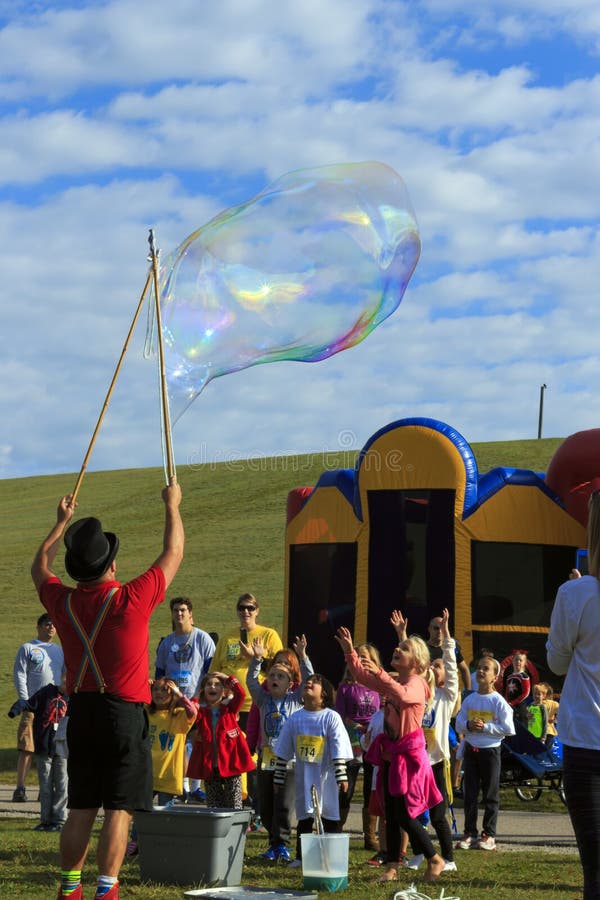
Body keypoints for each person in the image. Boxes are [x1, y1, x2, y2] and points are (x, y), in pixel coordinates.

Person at [31, 480, 184, 900]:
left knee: (81, 806)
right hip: (123, 713)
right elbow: (173, 554)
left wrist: (58, 525)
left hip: (81, 711)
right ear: (111, 566)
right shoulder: (130, 599)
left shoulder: (62, 603)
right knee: (118, 807)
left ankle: (69, 889)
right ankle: (106, 889)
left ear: (77, 570)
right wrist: (172, 505)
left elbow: (38, 566)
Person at [335, 625, 444, 884]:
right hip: (390, 755)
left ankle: (434, 857)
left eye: (404, 649)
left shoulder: (416, 683)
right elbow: (363, 678)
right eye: (399, 646)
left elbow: (403, 695)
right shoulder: (400, 680)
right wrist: (350, 652)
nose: (397, 648)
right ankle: (393, 867)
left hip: (408, 757)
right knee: (391, 815)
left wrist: (382, 674)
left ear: (416, 662)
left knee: (405, 814)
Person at [547, 490, 600, 900]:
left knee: (596, 872)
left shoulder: (576, 595)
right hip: (585, 741)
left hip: (586, 741)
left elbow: (558, 665)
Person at [245, 634, 313, 863]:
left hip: (289, 760)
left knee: (283, 804)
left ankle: (282, 845)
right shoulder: (263, 700)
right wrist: (256, 660)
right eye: (272, 675)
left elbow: (309, 680)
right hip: (266, 757)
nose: (274, 679)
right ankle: (273, 844)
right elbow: (252, 682)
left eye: (280, 676)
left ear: (290, 683)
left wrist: (303, 656)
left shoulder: (295, 699)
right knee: (265, 805)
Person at [273, 674, 353, 867]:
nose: (309, 683)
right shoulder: (295, 718)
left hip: (327, 776)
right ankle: (302, 857)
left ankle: (331, 857)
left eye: (316, 682)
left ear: (324, 693)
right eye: (307, 681)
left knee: (329, 814)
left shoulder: (331, 717)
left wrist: (341, 774)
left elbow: (337, 745)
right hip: (304, 777)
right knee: (305, 816)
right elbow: (284, 749)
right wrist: (279, 776)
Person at [406, 608, 458, 873]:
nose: (435, 667)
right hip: (417, 762)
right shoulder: (418, 694)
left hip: (437, 762)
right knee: (412, 812)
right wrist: (402, 636)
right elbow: (409, 665)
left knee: (438, 815)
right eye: (432, 665)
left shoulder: (446, 697)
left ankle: (448, 858)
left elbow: (449, 664)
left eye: (438, 666)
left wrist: (447, 636)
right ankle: (418, 854)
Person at [126, 677, 197, 857]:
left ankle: (165, 842)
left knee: (166, 813)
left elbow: (192, 712)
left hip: (168, 774)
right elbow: (133, 705)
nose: (159, 693)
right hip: (146, 773)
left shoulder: (179, 715)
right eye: (156, 689)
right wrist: (143, 686)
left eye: (165, 690)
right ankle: (136, 841)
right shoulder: (147, 713)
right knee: (141, 810)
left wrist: (179, 694)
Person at [154, 596, 215, 802]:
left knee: (197, 743)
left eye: (183, 610)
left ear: (191, 614)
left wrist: (202, 696)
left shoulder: (202, 639)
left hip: (196, 700)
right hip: (171, 703)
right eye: (176, 611)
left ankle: (196, 786)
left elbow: (210, 672)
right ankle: (183, 786)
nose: (179, 614)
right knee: (177, 743)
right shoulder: (166, 643)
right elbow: (160, 673)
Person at [455, 655, 515, 852]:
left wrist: (486, 727)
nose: (481, 671)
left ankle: (489, 835)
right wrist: (468, 725)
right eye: (479, 667)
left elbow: (508, 728)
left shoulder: (498, 702)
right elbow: (458, 722)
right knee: (470, 793)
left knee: (490, 794)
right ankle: (469, 833)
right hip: (472, 751)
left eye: (486, 669)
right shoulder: (470, 699)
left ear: (495, 677)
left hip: (491, 751)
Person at [210, 593, 283, 729]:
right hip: (230, 705)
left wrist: (254, 657)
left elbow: (280, 669)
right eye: (242, 608)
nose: (246, 611)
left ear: (257, 611)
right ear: (237, 611)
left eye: (250, 608)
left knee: (253, 748)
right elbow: (214, 671)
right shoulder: (227, 638)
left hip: (257, 705)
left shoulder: (269, 635)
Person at [12, 612, 64, 802]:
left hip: (55, 708)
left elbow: (65, 676)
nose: (51, 627)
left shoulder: (60, 650)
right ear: (39, 626)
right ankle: (20, 788)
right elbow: (20, 673)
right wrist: (24, 699)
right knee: (27, 747)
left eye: (53, 625)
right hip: (32, 706)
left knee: (50, 750)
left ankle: (46, 789)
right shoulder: (28, 648)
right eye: (47, 624)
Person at [334, 642, 381, 851]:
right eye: (358, 656)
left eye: (366, 657)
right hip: (351, 741)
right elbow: (339, 715)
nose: (362, 660)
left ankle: (370, 837)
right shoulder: (345, 687)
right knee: (347, 788)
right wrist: (357, 726)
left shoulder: (379, 685)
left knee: (372, 788)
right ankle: (336, 831)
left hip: (374, 741)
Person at [8, 675, 69, 832]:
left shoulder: (74, 699)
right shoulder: (47, 692)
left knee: (62, 784)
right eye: (65, 680)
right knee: (45, 786)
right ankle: (46, 820)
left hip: (62, 749)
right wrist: (16, 709)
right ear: (61, 679)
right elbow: (29, 703)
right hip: (43, 747)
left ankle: (60, 820)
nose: (66, 684)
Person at [187, 672, 255, 808]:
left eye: (217, 685)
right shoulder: (200, 712)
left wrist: (227, 679)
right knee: (214, 806)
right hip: (210, 766)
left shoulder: (230, 708)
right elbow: (190, 708)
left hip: (231, 764)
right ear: (203, 690)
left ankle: (235, 829)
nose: (213, 687)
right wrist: (196, 697)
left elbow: (241, 694)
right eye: (209, 684)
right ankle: (217, 829)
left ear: (223, 691)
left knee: (234, 805)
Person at [425, 614, 471, 692]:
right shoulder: (422, 648)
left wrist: (468, 692)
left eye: (442, 628)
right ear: (429, 629)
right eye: (436, 628)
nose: (439, 631)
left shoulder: (451, 649)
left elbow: (464, 669)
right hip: (426, 691)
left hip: (447, 693)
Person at [502, 650, 531, 725]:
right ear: (512, 661)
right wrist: (506, 702)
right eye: (516, 660)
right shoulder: (509, 676)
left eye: (520, 660)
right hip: (510, 706)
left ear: (524, 663)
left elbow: (526, 693)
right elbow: (507, 692)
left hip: (520, 706)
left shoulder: (524, 676)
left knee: (521, 726)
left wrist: (513, 702)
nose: (518, 662)